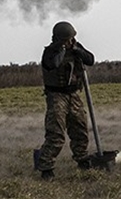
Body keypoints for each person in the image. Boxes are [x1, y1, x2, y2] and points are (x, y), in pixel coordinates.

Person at [36, 21, 96, 178]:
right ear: (58, 39)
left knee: (80, 128)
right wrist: (61, 50)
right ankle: (46, 167)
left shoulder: (76, 47)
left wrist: (77, 50)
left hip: (74, 94)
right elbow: (52, 64)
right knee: (56, 133)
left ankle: (82, 158)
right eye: (67, 39)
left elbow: (90, 59)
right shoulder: (50, 52)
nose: (70, 42)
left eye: (71, 39)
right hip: (57, 96)